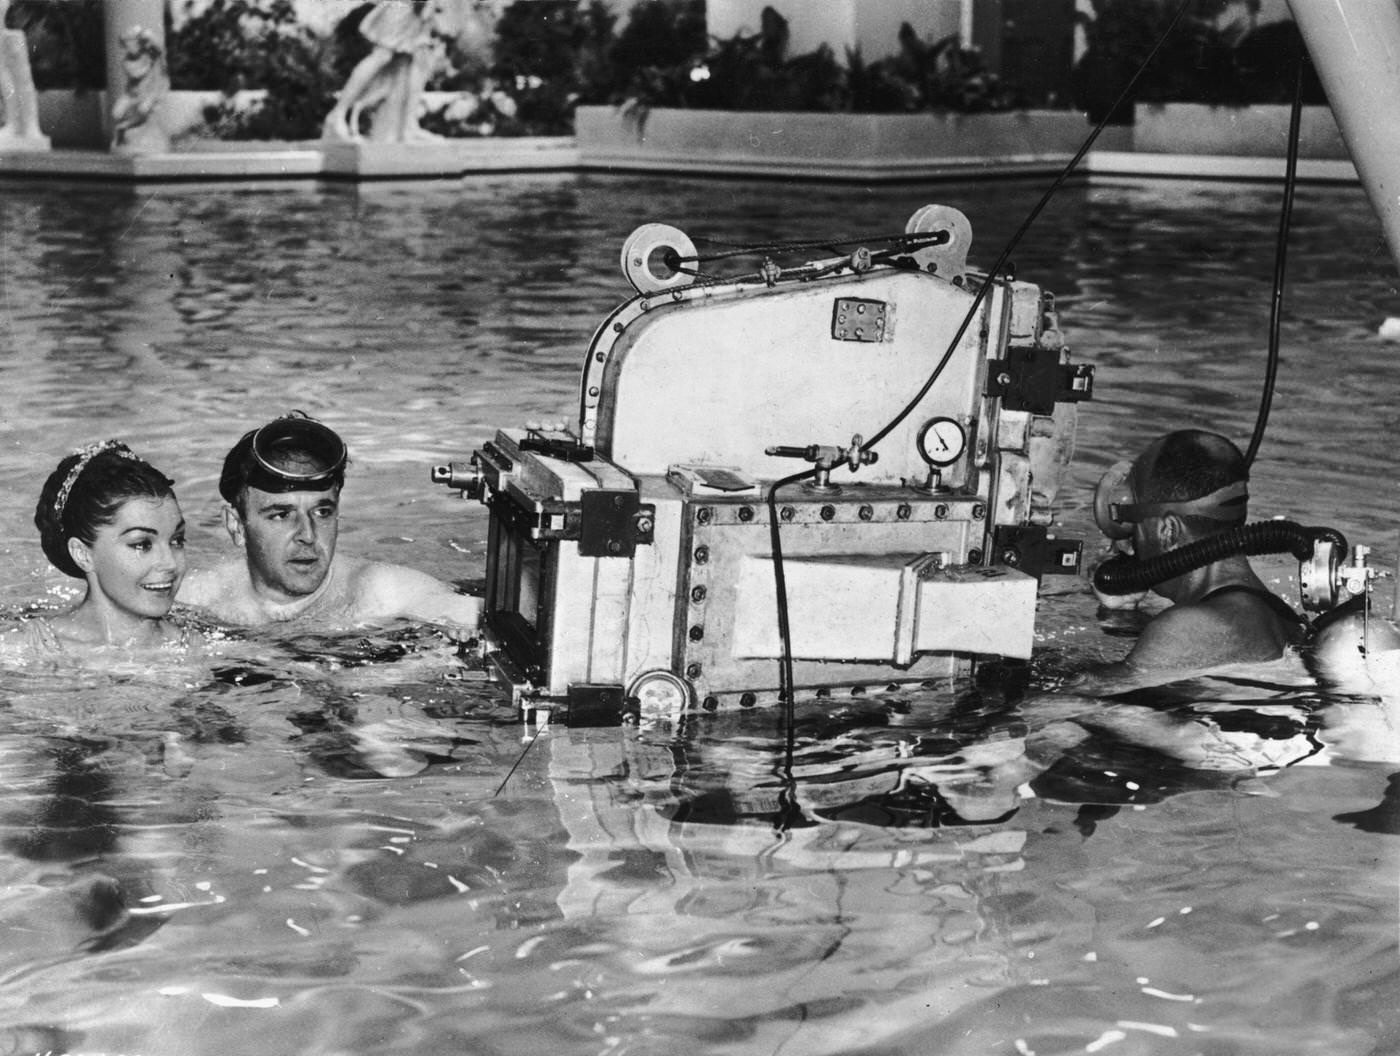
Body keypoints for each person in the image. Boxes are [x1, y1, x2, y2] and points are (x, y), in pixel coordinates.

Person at [177, 413, 481, 634]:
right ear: (236, 525)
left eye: (322, 512)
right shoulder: (196, 600)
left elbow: (488, 620)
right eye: (281, 515)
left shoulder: (379, 593)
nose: (307, 535)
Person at [1075, 429, 1308, 692]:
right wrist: (1120, 615)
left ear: (1168, 531)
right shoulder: (1275, 614)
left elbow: (1070, 702)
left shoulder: (1189, 628)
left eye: (1136, 530)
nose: (1129, 548)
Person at [4, 440, 196, 657]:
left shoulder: (205, 648)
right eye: (142, 544)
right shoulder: (25, 649)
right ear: (82, 554)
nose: (170, 563)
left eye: (177, 540)